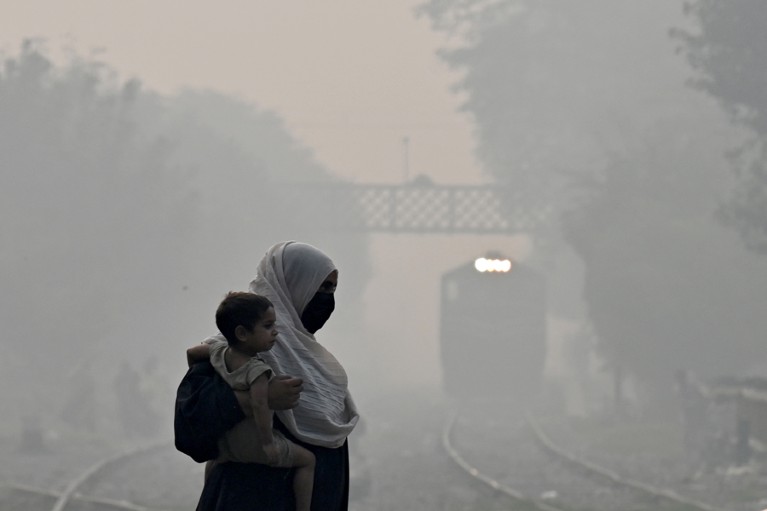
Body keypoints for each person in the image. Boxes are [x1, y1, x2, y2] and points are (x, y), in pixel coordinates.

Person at [176, 241, 359, 511]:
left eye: (331, 287)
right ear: (293, 285)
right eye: (319, 287)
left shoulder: (311, 359)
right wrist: (256, 399)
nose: (326, 297)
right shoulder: (233, 350)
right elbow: (191, 429)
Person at [187, 291, 316, 511]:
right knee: (308, 461)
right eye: (267, 326)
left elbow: (192, 352)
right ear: (242, 333)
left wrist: (200, 375)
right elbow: (260, 404)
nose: (275, 332)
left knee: (215, 462)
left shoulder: (219, 351)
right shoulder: (258, 370)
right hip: (254, 445)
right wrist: (267, 443)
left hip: (225, 443)